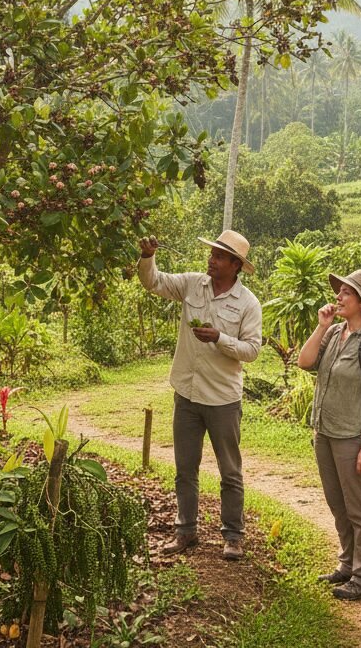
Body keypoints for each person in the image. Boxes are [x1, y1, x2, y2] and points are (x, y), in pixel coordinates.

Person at [137, 231, 263, 561]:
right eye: (212, 254)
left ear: (236, 265)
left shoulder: (248, 303)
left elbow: (251, 350)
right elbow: (154, 282)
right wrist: (148, 257)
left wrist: (220, 338)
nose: (211, 260)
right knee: (185, 468)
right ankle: (186, 531)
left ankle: (233, 536)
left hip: (222, 399)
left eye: (219, 256)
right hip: (188, 395)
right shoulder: (194, 284)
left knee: (229, 471)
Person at [297, 269, 361, 602]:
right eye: (339, 292)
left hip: (352, 437)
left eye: (346, 293)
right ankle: (348, 564)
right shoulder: (334, 332)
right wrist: (321, 325)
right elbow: (304, 361)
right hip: (324, 431)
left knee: (360, 510)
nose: (338, 297)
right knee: (338, 505)